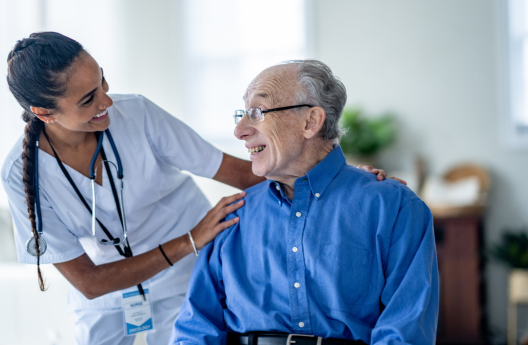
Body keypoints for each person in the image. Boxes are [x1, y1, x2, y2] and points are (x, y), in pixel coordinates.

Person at [1, 33, 393, 345]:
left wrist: (337, 177)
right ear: (44, 113)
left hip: (184, 281)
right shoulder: (22, 174)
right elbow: (89, 282)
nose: (106, 100)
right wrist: (190, 238)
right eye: (88, 99)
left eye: (102, 79)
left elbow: (239, 171)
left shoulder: (136, 113)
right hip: (111, 291)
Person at [169, 60, 439, 345]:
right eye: (242, 113)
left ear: (311, 122)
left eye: (257, 112)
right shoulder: (232, 216)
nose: (240, 130)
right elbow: (195, 330)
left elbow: (404, 332)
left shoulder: (394, 207)